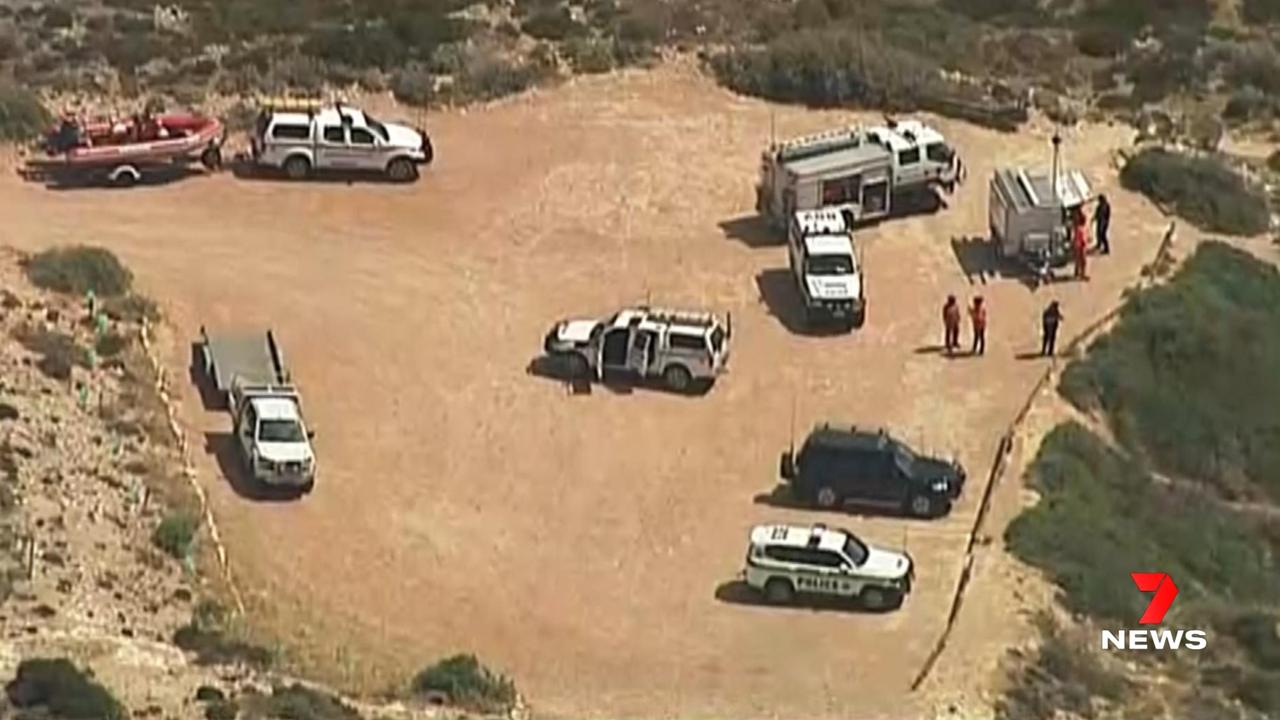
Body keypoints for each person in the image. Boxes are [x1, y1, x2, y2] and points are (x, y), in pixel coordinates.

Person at [1072, 208, 1088, 280]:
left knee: (1078, 259)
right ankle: (1082, 274)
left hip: (1078, 244)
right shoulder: (1080, 228)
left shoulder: (1078, 228)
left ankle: (1077, 272)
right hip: (1080, 245)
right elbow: (1081, 238)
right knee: (1082, 260)